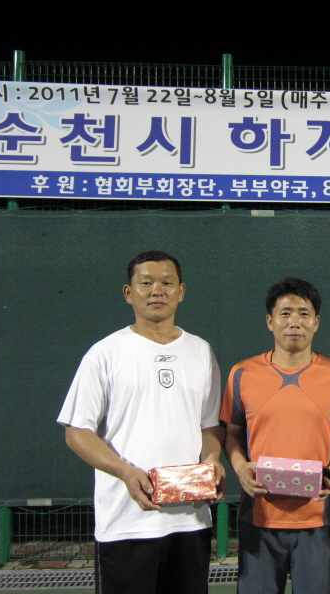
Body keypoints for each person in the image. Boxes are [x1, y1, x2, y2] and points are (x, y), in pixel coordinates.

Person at [57, 251, 223, 594]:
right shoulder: (105, 353)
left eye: (167, 282)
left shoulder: (202, 351)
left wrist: (212, 461)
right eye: (146, 283)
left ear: (181, 291)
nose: (157, 290)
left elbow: (209, 426)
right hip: (126, 523)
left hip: (191, 520)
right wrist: (124, 472)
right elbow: (76, 432)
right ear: (128, 293)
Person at [221, 277, 330, 594]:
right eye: (285, 313)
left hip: (319, 519)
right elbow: (231, 433)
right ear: (270, 321)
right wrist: (241, 468)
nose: (294, 322)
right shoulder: (242, 373)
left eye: (303, 313)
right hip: (258, 517)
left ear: (316, 322)